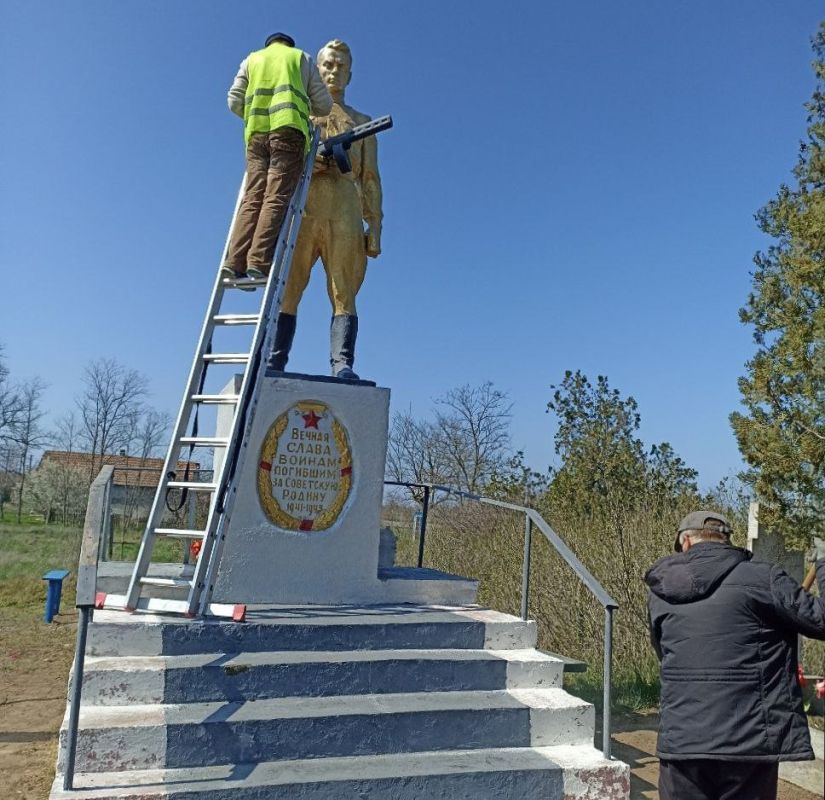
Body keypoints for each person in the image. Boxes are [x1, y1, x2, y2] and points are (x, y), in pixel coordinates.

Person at [645, 510, 825, 800]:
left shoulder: (661, 591)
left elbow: (663, 653)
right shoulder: (763, 578)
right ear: (726, 541)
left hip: (683, 741)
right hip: (749, 742)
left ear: (686, 543)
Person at [268, 39, 384, 380]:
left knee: (344, 290)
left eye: (341, 67)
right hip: (303, 209)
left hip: (345, 211)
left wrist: (374, 225)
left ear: (350, 74)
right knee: (290, 288)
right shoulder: (297, 113)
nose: (334, 71)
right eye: (328, 65)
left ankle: (342, 363)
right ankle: (275, 360)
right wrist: (312, 160)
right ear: (316, 69)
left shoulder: (362, 122)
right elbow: (277, 163)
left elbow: (371, 179)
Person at [221, 33, 332, 286]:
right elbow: (324, 106)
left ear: (269, 44)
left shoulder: (252, 60)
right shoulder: (300, 58)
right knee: (275, 197)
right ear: (289, 44)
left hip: (256, 137)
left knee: (252, 197)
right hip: (289, 133)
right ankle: (257, 263)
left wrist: (253, 117)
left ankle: (233, 261)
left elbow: (233, 102)